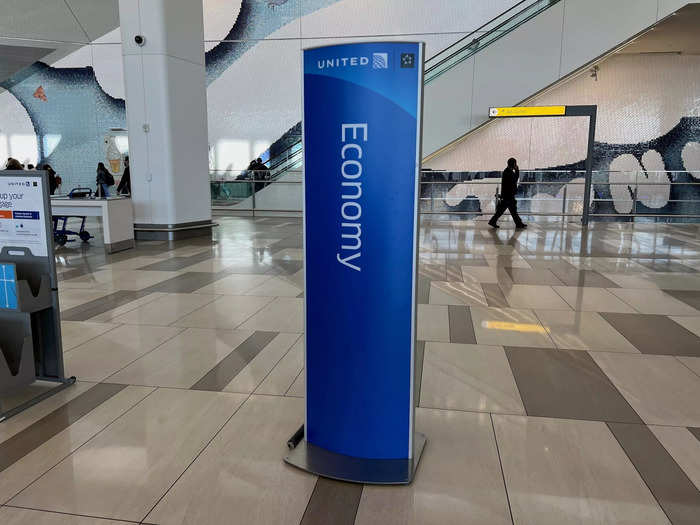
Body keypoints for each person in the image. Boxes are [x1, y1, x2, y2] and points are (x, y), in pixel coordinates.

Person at [488, 157, 526, 229]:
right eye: (515, 164)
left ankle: (493, 221)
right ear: (514, 164)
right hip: (508, 195)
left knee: (508, 211)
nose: (516, 165)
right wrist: (517, 170)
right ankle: (518, 224)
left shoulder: (507, 171)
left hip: (507, 195)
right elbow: (515, 180)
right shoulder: (509, 172)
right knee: (509, 211)